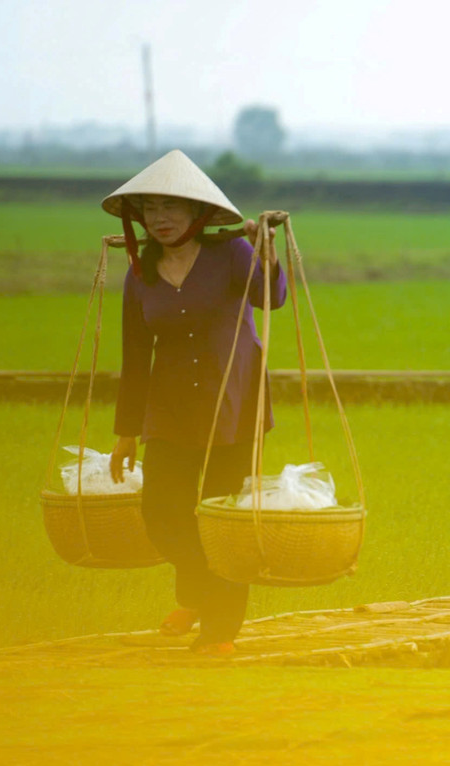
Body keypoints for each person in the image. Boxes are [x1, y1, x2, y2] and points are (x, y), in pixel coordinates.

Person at [104, 149, 286, 655]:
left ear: (195, 212)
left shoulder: (231, 255)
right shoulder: (140, 273)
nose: (159, 219)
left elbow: (270, 299)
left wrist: (268, 259)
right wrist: (125, 432)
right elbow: (135, 355)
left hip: (233, 403)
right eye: (149, 210)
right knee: (162, 512)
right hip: (168, 408)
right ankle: (198, 594)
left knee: (222, 521)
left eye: (170, 208)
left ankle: (219, 632)